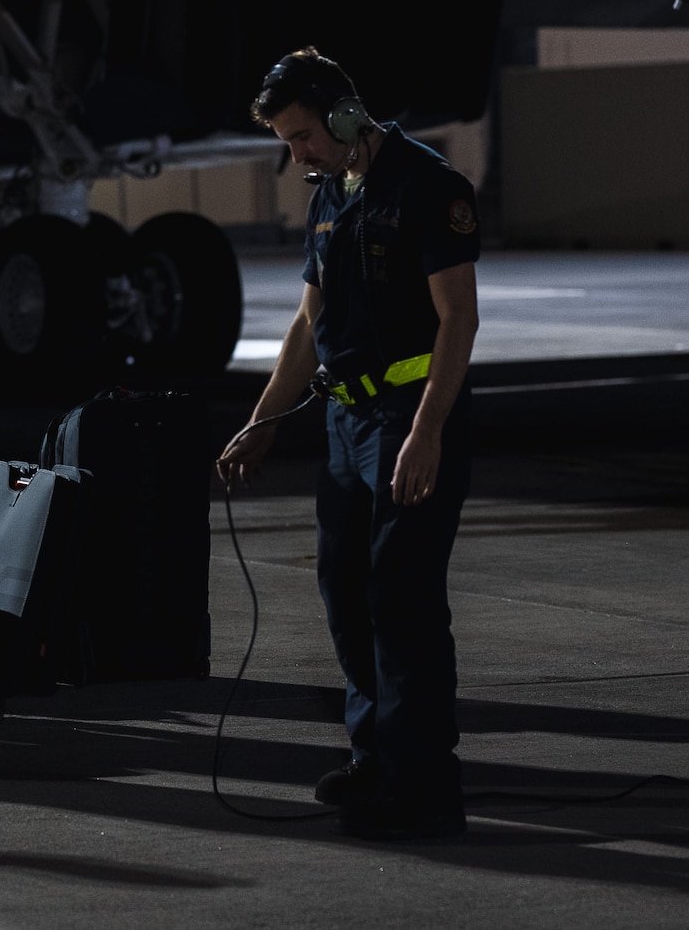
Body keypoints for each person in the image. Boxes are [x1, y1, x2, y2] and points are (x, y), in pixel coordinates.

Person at [217, 48, 481, 842]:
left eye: (302, 136)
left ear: (341, 114)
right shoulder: (332, 193)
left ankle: (425, 786)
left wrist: (427, 430)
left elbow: (457, 321)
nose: (295, 155)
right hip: (344, 424)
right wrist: (263, 421)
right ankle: (376, 761)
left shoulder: (429, 187)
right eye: (288, 141)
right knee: (346, 591)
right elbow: (308, 322)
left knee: (401, 601)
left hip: (410, 415)